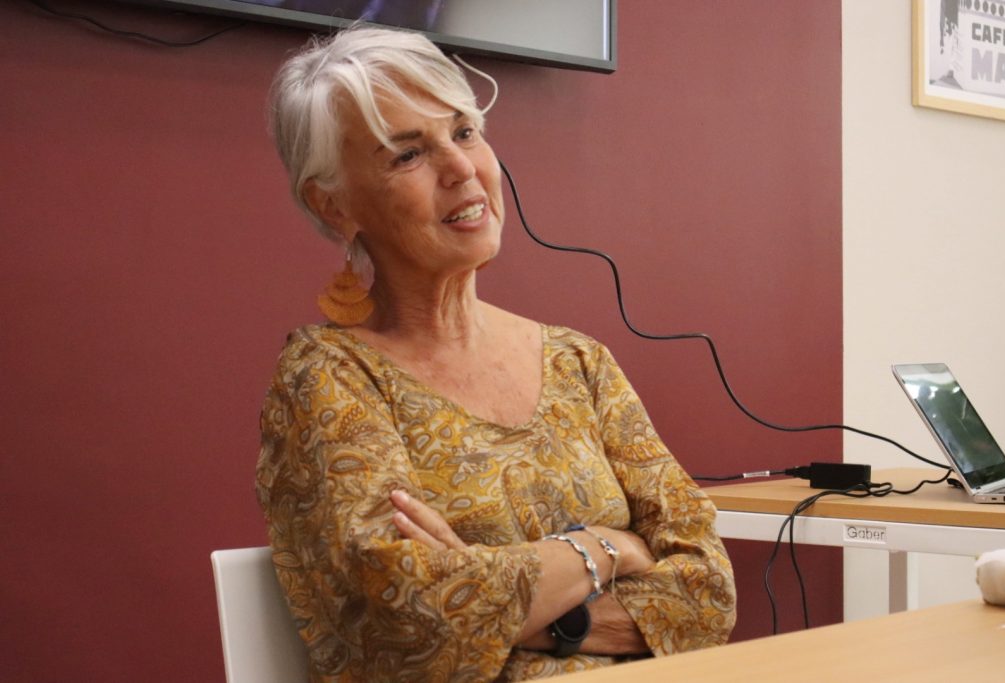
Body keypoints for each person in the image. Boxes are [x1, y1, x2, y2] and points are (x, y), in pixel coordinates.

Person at [256, 25, 736, 682]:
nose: (461, 168)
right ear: (335, 205)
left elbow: (709, 591)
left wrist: (507, 607)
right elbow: (411, 621)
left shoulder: (579, 362)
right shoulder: (330, 377)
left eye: (465, 132)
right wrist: (608, 547)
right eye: (407, 154)